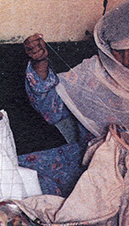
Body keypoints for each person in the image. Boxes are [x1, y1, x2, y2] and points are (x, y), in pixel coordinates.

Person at [23, 1, 129, 150]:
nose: (125, 61)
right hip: (95, 159)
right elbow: (50, 109)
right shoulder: (93, 73)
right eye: (118, 51)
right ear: (106, 49)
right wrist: (39, 62)